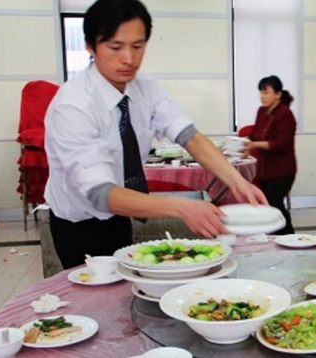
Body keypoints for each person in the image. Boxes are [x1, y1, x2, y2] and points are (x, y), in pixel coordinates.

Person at [44, 0, 266, 269]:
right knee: (92, 296)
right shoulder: (73, 106)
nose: (129, 58)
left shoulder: (144, 87)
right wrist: (181, 207)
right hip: (78, 223)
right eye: (115, 47)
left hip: (122, 212)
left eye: (137, 46)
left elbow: (189, 136)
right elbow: (100, 194)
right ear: (90, 47)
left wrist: (236, 181)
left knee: (125, 288)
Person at [243, 76, 297, 235]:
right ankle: (275, 237)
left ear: (278, 94)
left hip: (282, 170)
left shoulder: (285, 114)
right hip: (264, 170)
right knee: (268, 205)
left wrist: (254, 145)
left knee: (275, 205)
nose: (262, 96)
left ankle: (289, 235)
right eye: (261, 92)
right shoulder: (261, 111)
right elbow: (254, 134)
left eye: (266, 92)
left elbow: (281, 143)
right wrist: (242, 144)